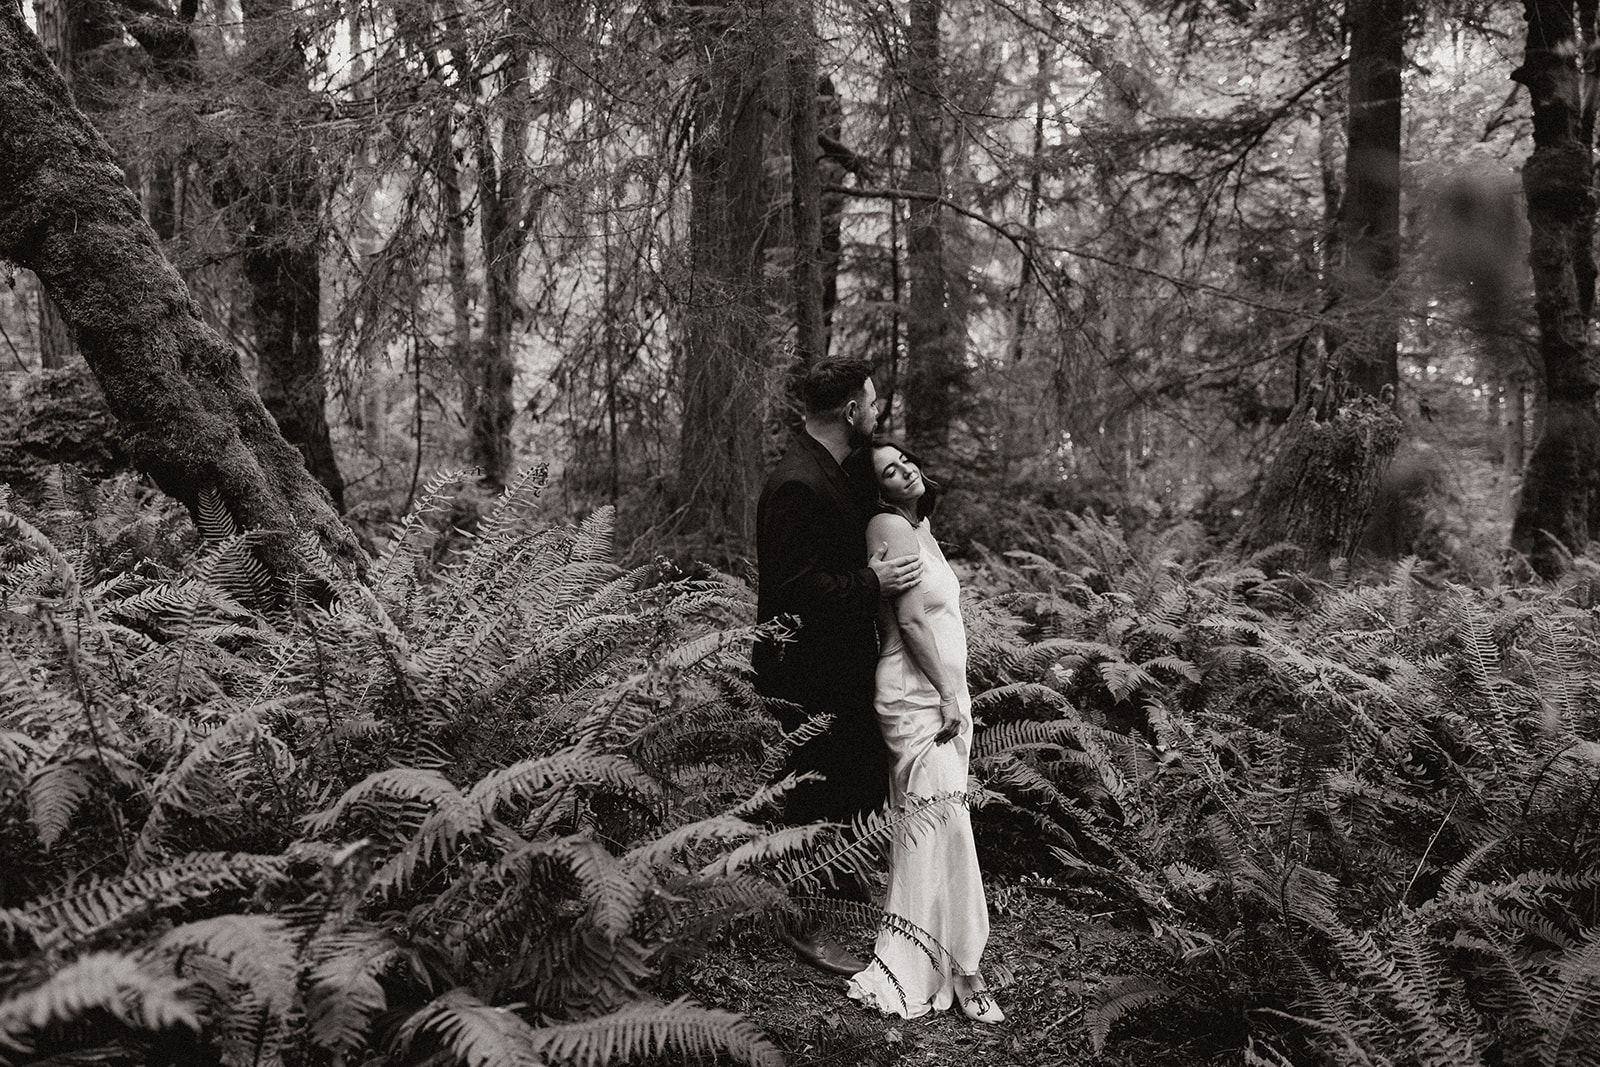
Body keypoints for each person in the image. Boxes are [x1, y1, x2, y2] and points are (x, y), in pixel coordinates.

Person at [753, 359, 923, 975]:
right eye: (872, 403)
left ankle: (840, 888)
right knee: (813, 797)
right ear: (851, 411)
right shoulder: (797, 483)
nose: (878, 414)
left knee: (855, 783)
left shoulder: (841, 469)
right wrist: (872, 581)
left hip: (841, 664)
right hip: (803, 673)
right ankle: (803, 923)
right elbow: (793, 591)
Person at [840, 439, 1004, 1024]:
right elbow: (909, 618)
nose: (905, 468)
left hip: (942, 697)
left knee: (931, 827)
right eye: (890, 469)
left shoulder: (919, 525)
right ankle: (966, 970)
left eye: (906, 458)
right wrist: (943, 695)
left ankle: (929, 957)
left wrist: (955, 694)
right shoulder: (888, 523)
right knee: (946, 825)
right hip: (918, 698)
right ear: (878, 487)